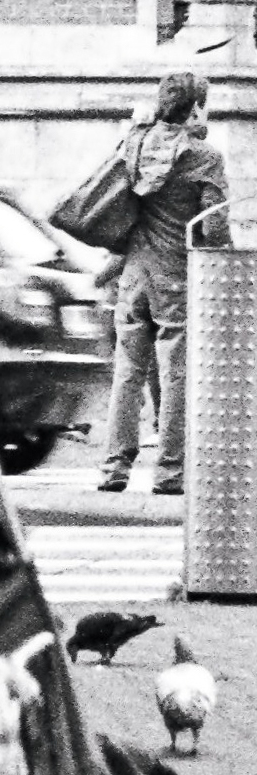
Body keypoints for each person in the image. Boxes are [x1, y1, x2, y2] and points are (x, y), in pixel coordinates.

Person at [98, 67, 230, 496]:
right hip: (175, 277)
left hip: (133, 277)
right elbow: (214, 229)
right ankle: (170, 473)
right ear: (193, 108)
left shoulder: (136, 142)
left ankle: (114, 469)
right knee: (176, 377)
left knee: (128, 373)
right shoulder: (204, 157)